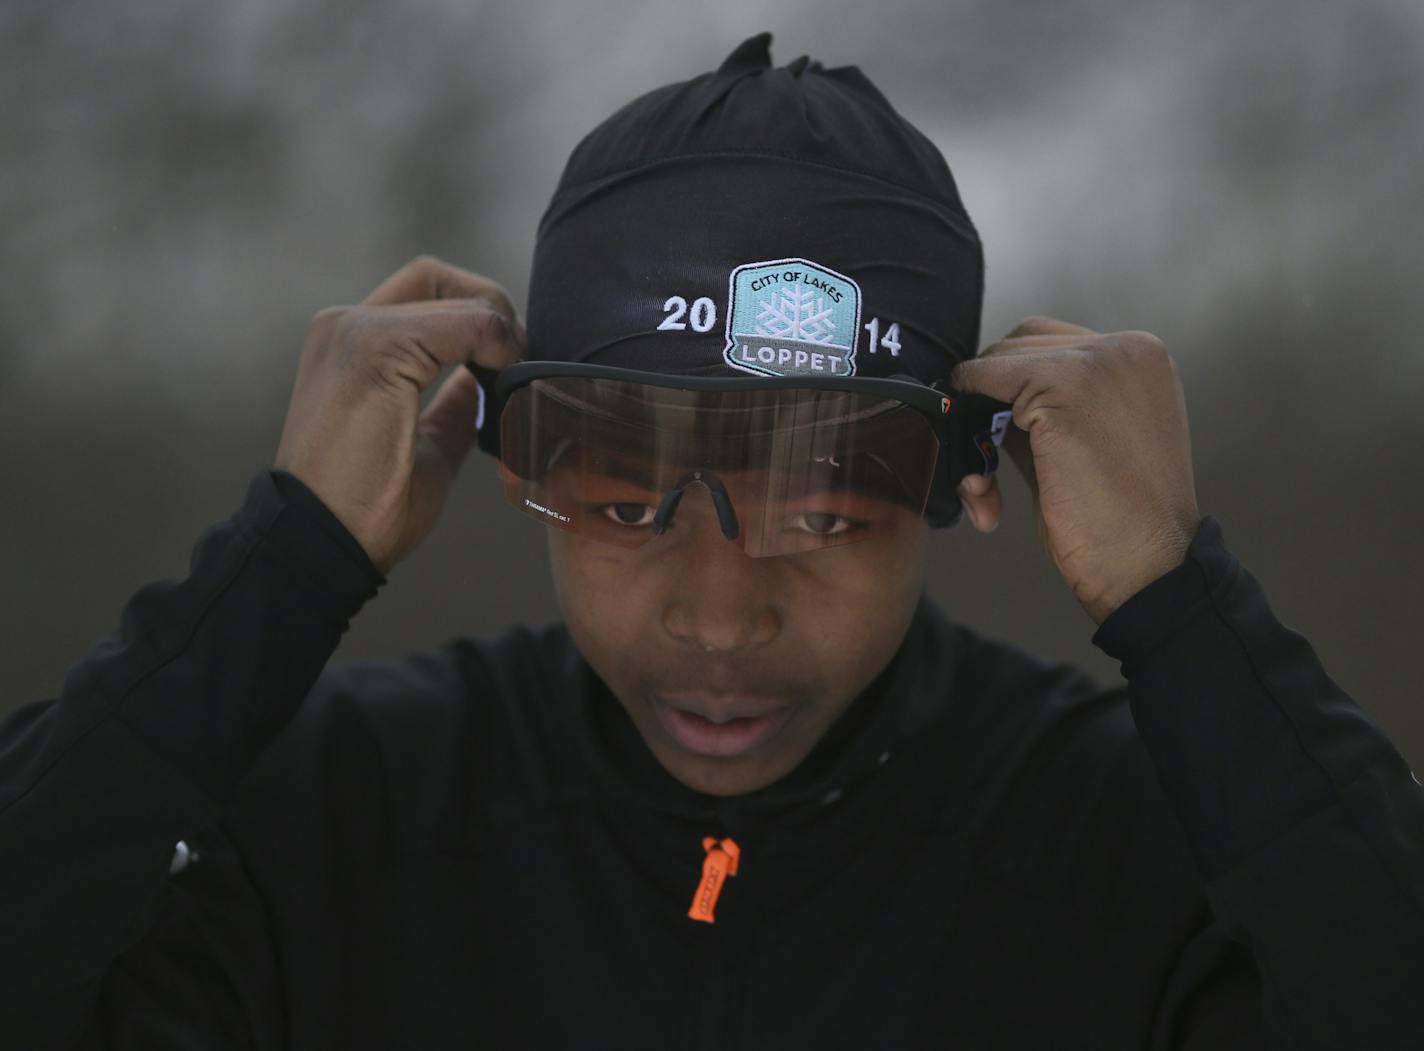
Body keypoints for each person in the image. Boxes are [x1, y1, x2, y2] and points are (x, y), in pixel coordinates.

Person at [1, 30, 1420, 1051]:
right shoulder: (336, 819)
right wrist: (286, 559)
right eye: (626, 507)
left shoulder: (1137, 847)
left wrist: (1182, 602)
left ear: (966, 484)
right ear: (515, 468)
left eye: (820, 511)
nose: (721, 613)